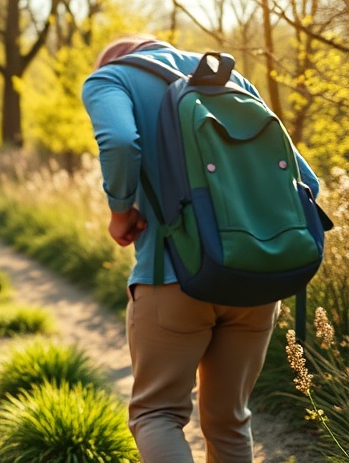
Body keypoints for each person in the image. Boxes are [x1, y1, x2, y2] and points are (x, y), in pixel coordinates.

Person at [81, 36, 322, 463]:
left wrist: (120, 212)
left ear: (117, 59)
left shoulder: (110, 78)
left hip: (172, 277)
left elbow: (119, 142)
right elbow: (308, 185)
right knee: (230, 420)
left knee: (157, 414)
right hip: (256, 283)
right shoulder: (232, 80)